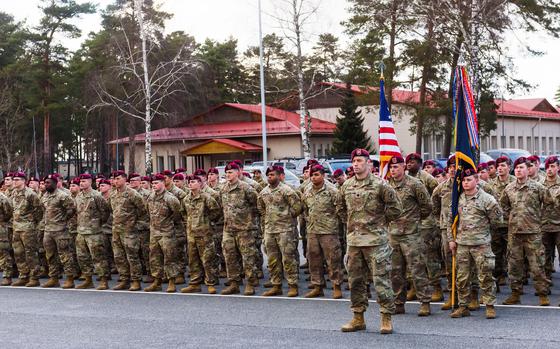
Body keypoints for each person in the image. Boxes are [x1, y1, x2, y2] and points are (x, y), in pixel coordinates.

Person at [337, 148, 401, 334]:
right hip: (355, 242)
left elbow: (396, 208)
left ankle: (386, 318)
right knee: (355, 282)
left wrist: (380, 222)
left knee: (381, 282)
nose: (356, 164)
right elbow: (340, 208)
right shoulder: (346, 186)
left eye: (359, 160)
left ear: (369, 163)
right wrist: (353, 225)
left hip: (376, 242)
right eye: (354, 161)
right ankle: (358, 317)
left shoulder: (381, 185)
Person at [448, 168, 502, 319]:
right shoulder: (457, 199)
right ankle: (463, 306)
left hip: (481, 244)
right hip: (462, 244)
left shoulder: (487, 199)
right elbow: (450, 221)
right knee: (462, 277)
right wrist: (451, 240)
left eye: (469, 180)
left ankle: (490, 306)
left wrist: (483, 232)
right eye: (464, 180)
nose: (465, 183)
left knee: (485, 275)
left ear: (477, 181)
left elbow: (497, 220)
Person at [500, 157, 551, 306]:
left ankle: (542, 294)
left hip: (533, 233)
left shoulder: (537, 187)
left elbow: (549, 203)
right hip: (514, 233)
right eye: (516, 168)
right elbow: (503, 206)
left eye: (521, 168)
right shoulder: (509, 188)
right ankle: (515, 293)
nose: (518, 170)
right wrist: (511, 218)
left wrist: (539, 218)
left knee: (537, 265)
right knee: (514, 265)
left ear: (528, 170)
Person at [390, 155, 433, 315]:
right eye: (391, 167)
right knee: (395, 271)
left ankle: (425, 302)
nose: (393, 170)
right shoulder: (386, 186)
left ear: (403, 167)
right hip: (393, 235)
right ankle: (398, 302)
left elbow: (427, 206)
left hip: (411, 235)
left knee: (417, 269)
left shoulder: (415, 184)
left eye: (396, 167)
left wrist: (414, 220)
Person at [257, 165, 302, 297]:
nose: (270, 177)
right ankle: (276, 285)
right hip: (270, 230)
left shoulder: (286, 190)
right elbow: (261, 208)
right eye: (268, 175)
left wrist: (286, 216)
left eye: (272, 175)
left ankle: (292, 285)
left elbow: (298, 207)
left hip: (285, 230)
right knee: (272, 259)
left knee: (288, 258)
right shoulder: (264, 192)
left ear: (279, 176)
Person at [302, 164, 344, 299]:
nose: (313, 178)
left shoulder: (332, 190)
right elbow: (305, 208)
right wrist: (309, 220)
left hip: (329, 231)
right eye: (312, 175)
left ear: (323, 175)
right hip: (313, 230)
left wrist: (334, 223)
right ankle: (317, 286)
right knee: (313, 259)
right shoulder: (307, 190)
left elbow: (341, 209)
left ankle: (336, 286)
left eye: (316, 175)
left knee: (333, 259)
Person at [406, 153, 443, 302]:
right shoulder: (405, 178)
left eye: (413, 162)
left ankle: (436, 287)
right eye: (408, 162)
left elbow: (437, 196)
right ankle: (415, 287)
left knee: (430, 257)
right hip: (411, 224)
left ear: (419, 164)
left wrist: (433, 214)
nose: (409, 164)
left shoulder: (427, 178)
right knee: (413, 258)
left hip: (427, 223)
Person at [220, 162, 260, 296]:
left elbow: (256, 205)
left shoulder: (246, 188)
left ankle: (250, 283)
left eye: (230, 172)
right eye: (226, 173)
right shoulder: (223, 188)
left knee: (248, 257)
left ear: (238, 172)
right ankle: (234, 283)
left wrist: (249, 221)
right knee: (229, 256)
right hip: (228, 229)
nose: (228, 175)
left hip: (244, 229)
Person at [180, 175, 221, 294]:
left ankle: (210, 283)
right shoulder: (186, 199)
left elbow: (216, 212)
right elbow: (183, 213)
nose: (190, 184)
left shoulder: (206, 198)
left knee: (208, 259)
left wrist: (207, 222)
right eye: (189, 182)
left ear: (199, 183)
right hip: (191, 234)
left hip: (205, 233)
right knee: (193, 260)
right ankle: (195, 283)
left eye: (193, 182)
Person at [108, 170, 147, 291]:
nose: (115, 181)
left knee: (132, 256)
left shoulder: (132, 194)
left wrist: (135, 224)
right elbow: (111, 209)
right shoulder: (113, 194)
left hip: (130, 231)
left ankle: (136, 280)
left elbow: (143, 210)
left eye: (118, 178)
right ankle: (124, 279)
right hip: (116, 230)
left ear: (125, 179)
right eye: (114, 179)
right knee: (119, 256)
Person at [144, 173, 182, 293]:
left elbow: (177, 214)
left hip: (167, 232)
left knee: (170, 258)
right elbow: (147, 212)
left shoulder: (170, 198)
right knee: (154, 258)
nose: (154, 185)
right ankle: (157, 281)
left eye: (156, 183)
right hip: (154, 232)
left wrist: (168, 224)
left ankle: (171, 282)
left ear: (163, 183)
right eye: (153, 183)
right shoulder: (150, 197)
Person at [40, 175, 79, 289]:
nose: (46, 184)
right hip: (48, 230)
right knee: (50, 256)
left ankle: (70, 278)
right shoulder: (45, 196)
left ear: (55, 183)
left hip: (60, 230)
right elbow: (43, 210)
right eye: (45, 182)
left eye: (49, 183)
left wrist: (63, 219)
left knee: (65, 255)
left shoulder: (62, 196)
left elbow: (71, 209)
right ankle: (54, 278)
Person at [74, 173, 111, 290]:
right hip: (81, 231)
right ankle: (88, 280)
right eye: (80, 181)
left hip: (94, 232)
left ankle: (103, 280)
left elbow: (105, 212)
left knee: (98, 257)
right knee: (82, 257)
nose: (81, 183)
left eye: (84, 181)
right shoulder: (78, 196)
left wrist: (98, 223)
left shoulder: (97, 196)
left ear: (91, 182)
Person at [11, 171, 43, 287]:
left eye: (17, 180)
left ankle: (34, 277)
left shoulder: (30, 194)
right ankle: (23, 276)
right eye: (13, 180)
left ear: (24, 181)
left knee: (30, 253)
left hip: (28, 228)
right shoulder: (14, 193)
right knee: (18, 253)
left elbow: (39, 210)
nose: (14, 182)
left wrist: (32, 222)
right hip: (16, 227)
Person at [489, 156, 515, 285]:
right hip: (495, 224)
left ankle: (515, 279)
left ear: (509, 168)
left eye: (503, 165)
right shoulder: (491, 183)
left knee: (512, 252)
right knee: (496, 252)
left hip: (511, 224)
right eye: (498, 165)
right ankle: (499, 275)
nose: (500, 168)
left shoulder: (514, 182)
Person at [163, 170, 187, 284]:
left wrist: (175, 219)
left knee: (179, 250)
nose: (163, 181)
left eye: (165, 178)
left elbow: (182, 210)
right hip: (165, 227)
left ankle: (180, 273)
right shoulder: (162, 191)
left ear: (170, 179)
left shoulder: (179, 193)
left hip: (177, 225)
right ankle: (169, 273)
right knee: (168, 252)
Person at [129, 173, 152, 283]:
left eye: (135, 180)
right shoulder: (127, 193)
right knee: (133, 251)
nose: (133, 182)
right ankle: (137, 273)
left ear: (139, 181)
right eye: (131, 180)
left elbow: (149, 210)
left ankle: (150, 272)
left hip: (143, 226)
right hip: (130, 227)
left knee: (146, 251)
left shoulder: (147, 194)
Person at [540, 156, 560, 282]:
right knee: (545, 256)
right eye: (547, 167)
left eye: (552, 166)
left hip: (559, 226)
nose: (549, 169)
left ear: (558, 168)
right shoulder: (539, 185)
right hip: (543, 225)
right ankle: (546, 282)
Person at [0, 190, 14, 286]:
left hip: (1, 227)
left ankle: (7, 276)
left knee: (3, 252)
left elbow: (8, 213)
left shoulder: (2, 198)